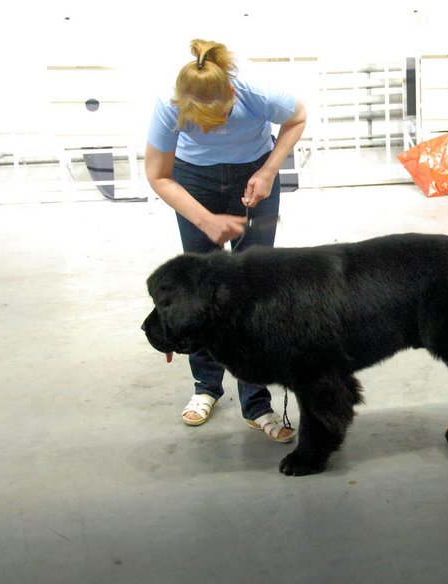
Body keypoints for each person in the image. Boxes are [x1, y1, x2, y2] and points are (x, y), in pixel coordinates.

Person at [145, 39, 306, 442]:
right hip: (193, 180)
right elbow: (158, 175)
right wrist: (205, 219)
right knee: (198, 291)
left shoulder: (255, 92)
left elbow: (299, 118)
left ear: (231, 97)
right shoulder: (169, 105)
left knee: (255, 289)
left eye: (212, 122)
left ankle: (256, 401)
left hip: (253, 168)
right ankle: (205, 387)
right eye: (195, 122)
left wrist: (269, 170)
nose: (204, 129)